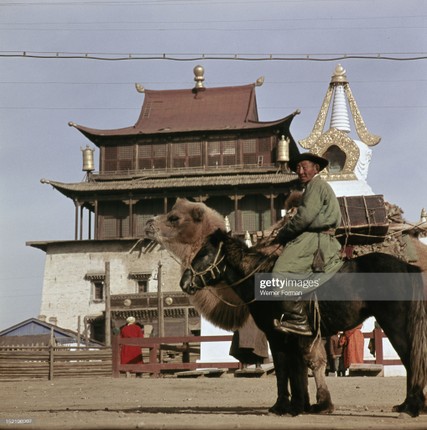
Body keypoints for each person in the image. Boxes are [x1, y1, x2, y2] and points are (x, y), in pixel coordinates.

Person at [272, 153, 343, 336]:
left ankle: (298, 318)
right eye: (298, 168)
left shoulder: (316, 185)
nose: (300, 171)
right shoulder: (315, 186)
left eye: (304, 167)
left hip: (316, 239)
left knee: (280, 272)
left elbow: (304, 218)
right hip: (317, 236)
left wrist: (282, 235)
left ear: (316, 169)